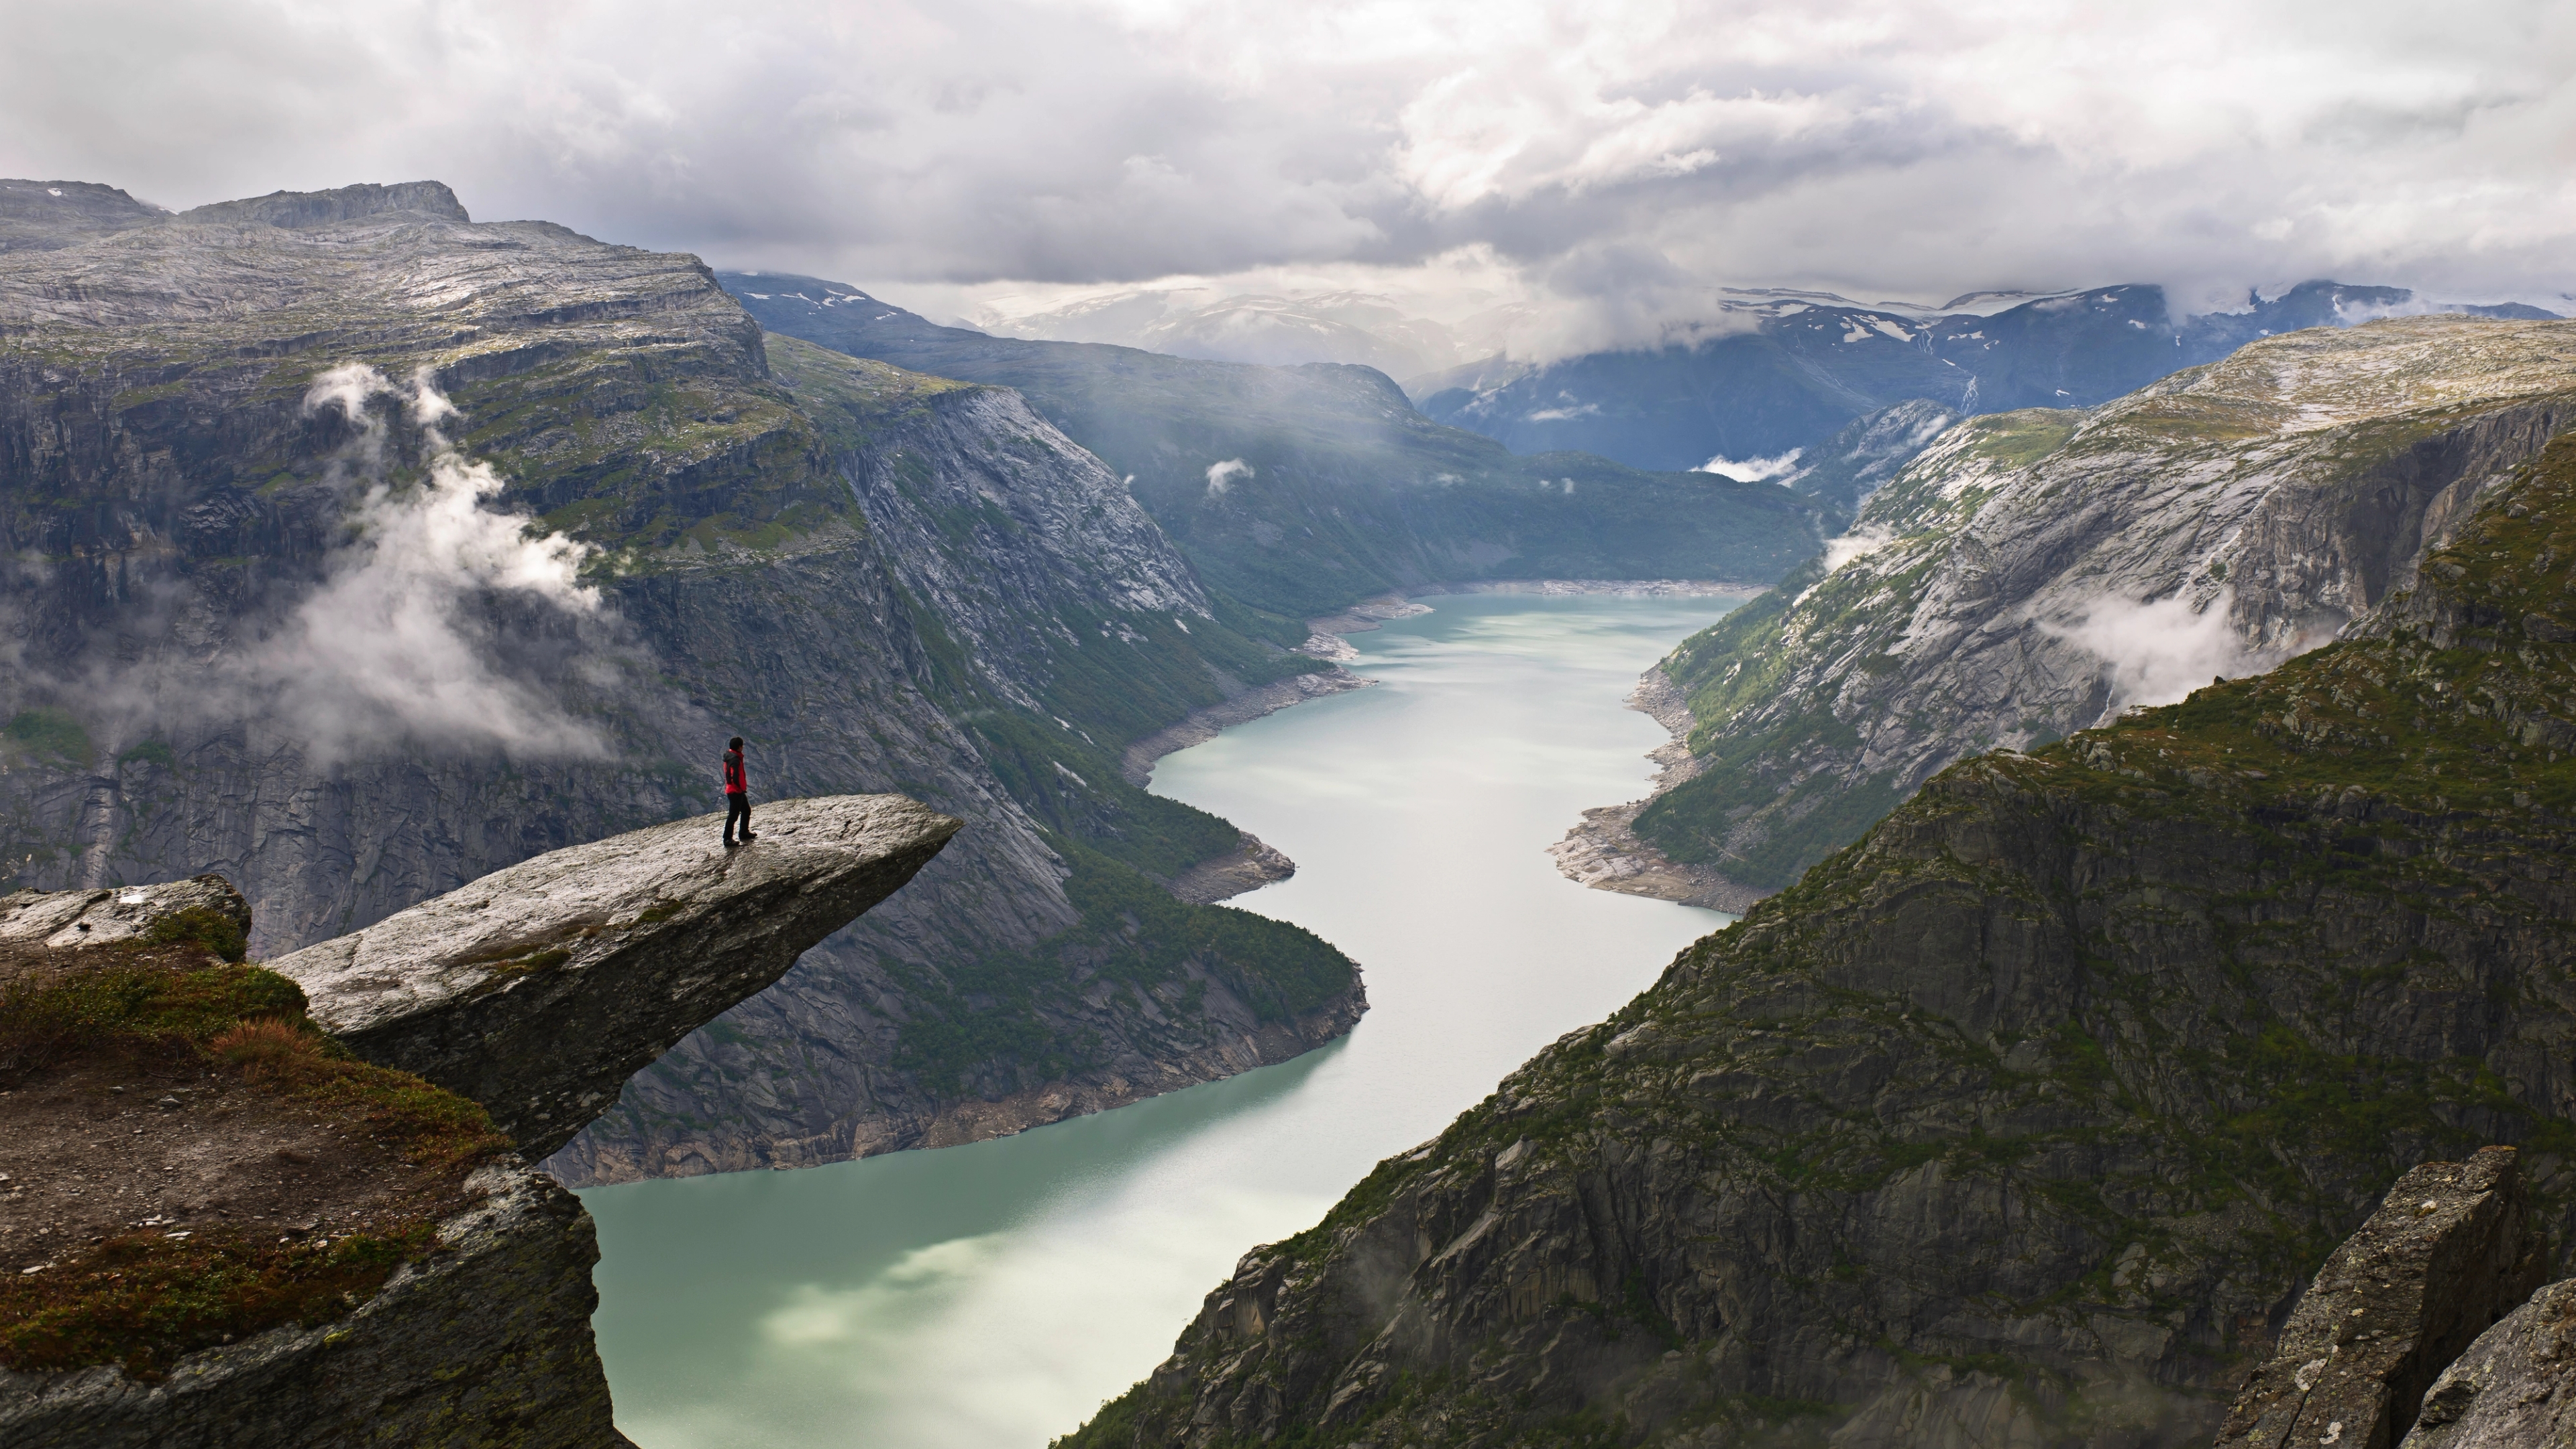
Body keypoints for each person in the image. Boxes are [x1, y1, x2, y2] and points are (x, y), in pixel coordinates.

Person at [722, 737, 755, 847]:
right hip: (735, 791)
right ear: (739, 747)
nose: (743, 747)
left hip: (736, 790)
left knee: (746, 810)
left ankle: (744, 832)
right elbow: (734, 776)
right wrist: (739, 787)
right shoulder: (735, 759)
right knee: (733, 815)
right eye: (742, 746)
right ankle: (727, 839)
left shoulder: (730, 757)